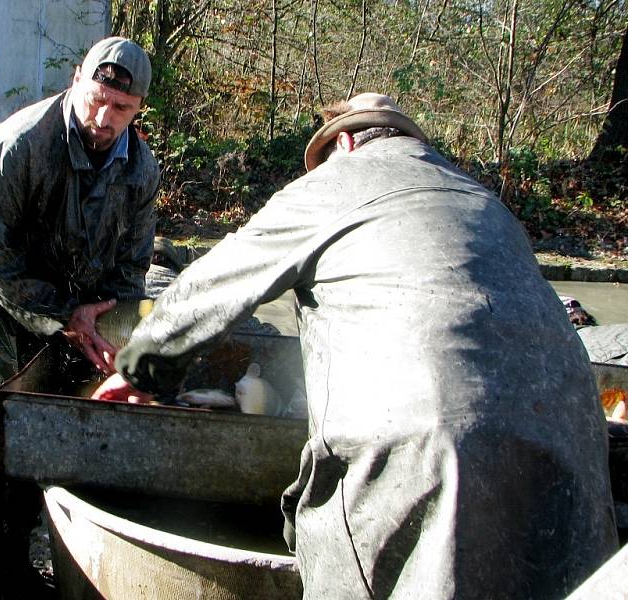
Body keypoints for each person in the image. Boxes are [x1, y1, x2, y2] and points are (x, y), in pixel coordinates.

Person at [95, 93, 619, 598]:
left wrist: (141, 369)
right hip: (575, 447)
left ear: (343, 144)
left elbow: (211, 285)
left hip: (428, 451)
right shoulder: (481, 199)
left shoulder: (341, 181)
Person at [0, 36, 159, 599]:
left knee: (49, 408)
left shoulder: (141, 171)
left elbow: (129, 270)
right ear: (77, 79)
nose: (104, 117)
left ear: (139, 110)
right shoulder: (22, 142)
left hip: (56, 287)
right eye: (96, 97)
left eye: (121, 109)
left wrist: (109, 329)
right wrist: (64, 314)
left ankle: (17, 558)